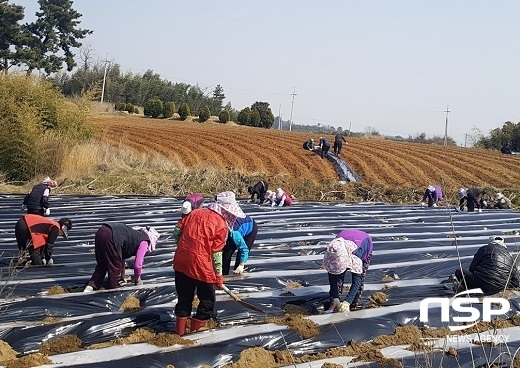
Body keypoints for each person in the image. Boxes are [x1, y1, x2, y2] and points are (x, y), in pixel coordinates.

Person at [173, 191, 246, 335]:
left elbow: (177, 231)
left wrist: (182, 247)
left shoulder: (195, 213)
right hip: (201, 267)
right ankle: (196, 335)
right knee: (207, 301)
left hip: (181, 263)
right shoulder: (220, 224)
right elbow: (217, 254)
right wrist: (218, 276)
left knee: (184, 298)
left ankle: (179, 334)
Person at [84, 223, 160, 292]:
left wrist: (122, 276)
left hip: (101, 232)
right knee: (114, 269)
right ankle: (111, 292)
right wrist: (138, 279)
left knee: (102, 264)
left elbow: (122, 256)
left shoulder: (134, 235)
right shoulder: (144, 242)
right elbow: (137, 264)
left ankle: (90, 287)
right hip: (111, 236)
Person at [324, 229, 373, 313]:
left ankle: (353, 304)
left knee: (360, 279)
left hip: (363, 242)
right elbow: (332, 276)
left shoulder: (357, 254)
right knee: (338, 277)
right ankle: (335, 303)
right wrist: (335, 297)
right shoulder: (333, 249)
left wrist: (347, 302)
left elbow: (357, 280)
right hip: (345, 239)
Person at [454, 236, 519, 295]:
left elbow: (472, 267)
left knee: (459, 271)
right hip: (500, 287)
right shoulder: (509, 255)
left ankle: (471, 290)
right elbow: (515, 278)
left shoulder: (484, 249)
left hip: (481, 286)